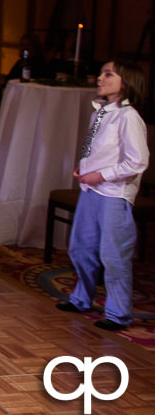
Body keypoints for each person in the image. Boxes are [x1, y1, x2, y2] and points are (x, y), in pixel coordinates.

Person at [56, 59, 149, 331]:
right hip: (90, 190)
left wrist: (101, 175)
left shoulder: (128, 117)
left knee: (113, 255)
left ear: (127, 82)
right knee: (80, 248)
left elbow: (137, 161)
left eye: (108, 74)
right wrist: (84, 165)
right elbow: (95, 147)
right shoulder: (99, 113)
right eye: (100, 73)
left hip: (113, 194)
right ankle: (81, 298)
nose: (100, 78)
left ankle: (118, 313)